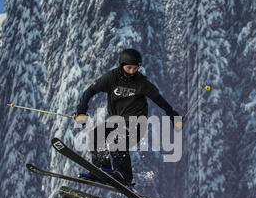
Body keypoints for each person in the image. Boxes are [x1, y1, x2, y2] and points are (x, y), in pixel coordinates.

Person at [74, 48, 183, 186]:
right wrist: (81, 111)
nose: (132, 72)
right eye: (129, 68)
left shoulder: (141, 82)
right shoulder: (111, 78)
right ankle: (103, 170)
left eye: (135, 68)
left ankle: (124, 176)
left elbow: (159, 100)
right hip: (116, 121)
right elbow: (89, 92)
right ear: (121, 65)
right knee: (95, 136)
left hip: (136, 123)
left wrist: (173, 115)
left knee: (116, 140)